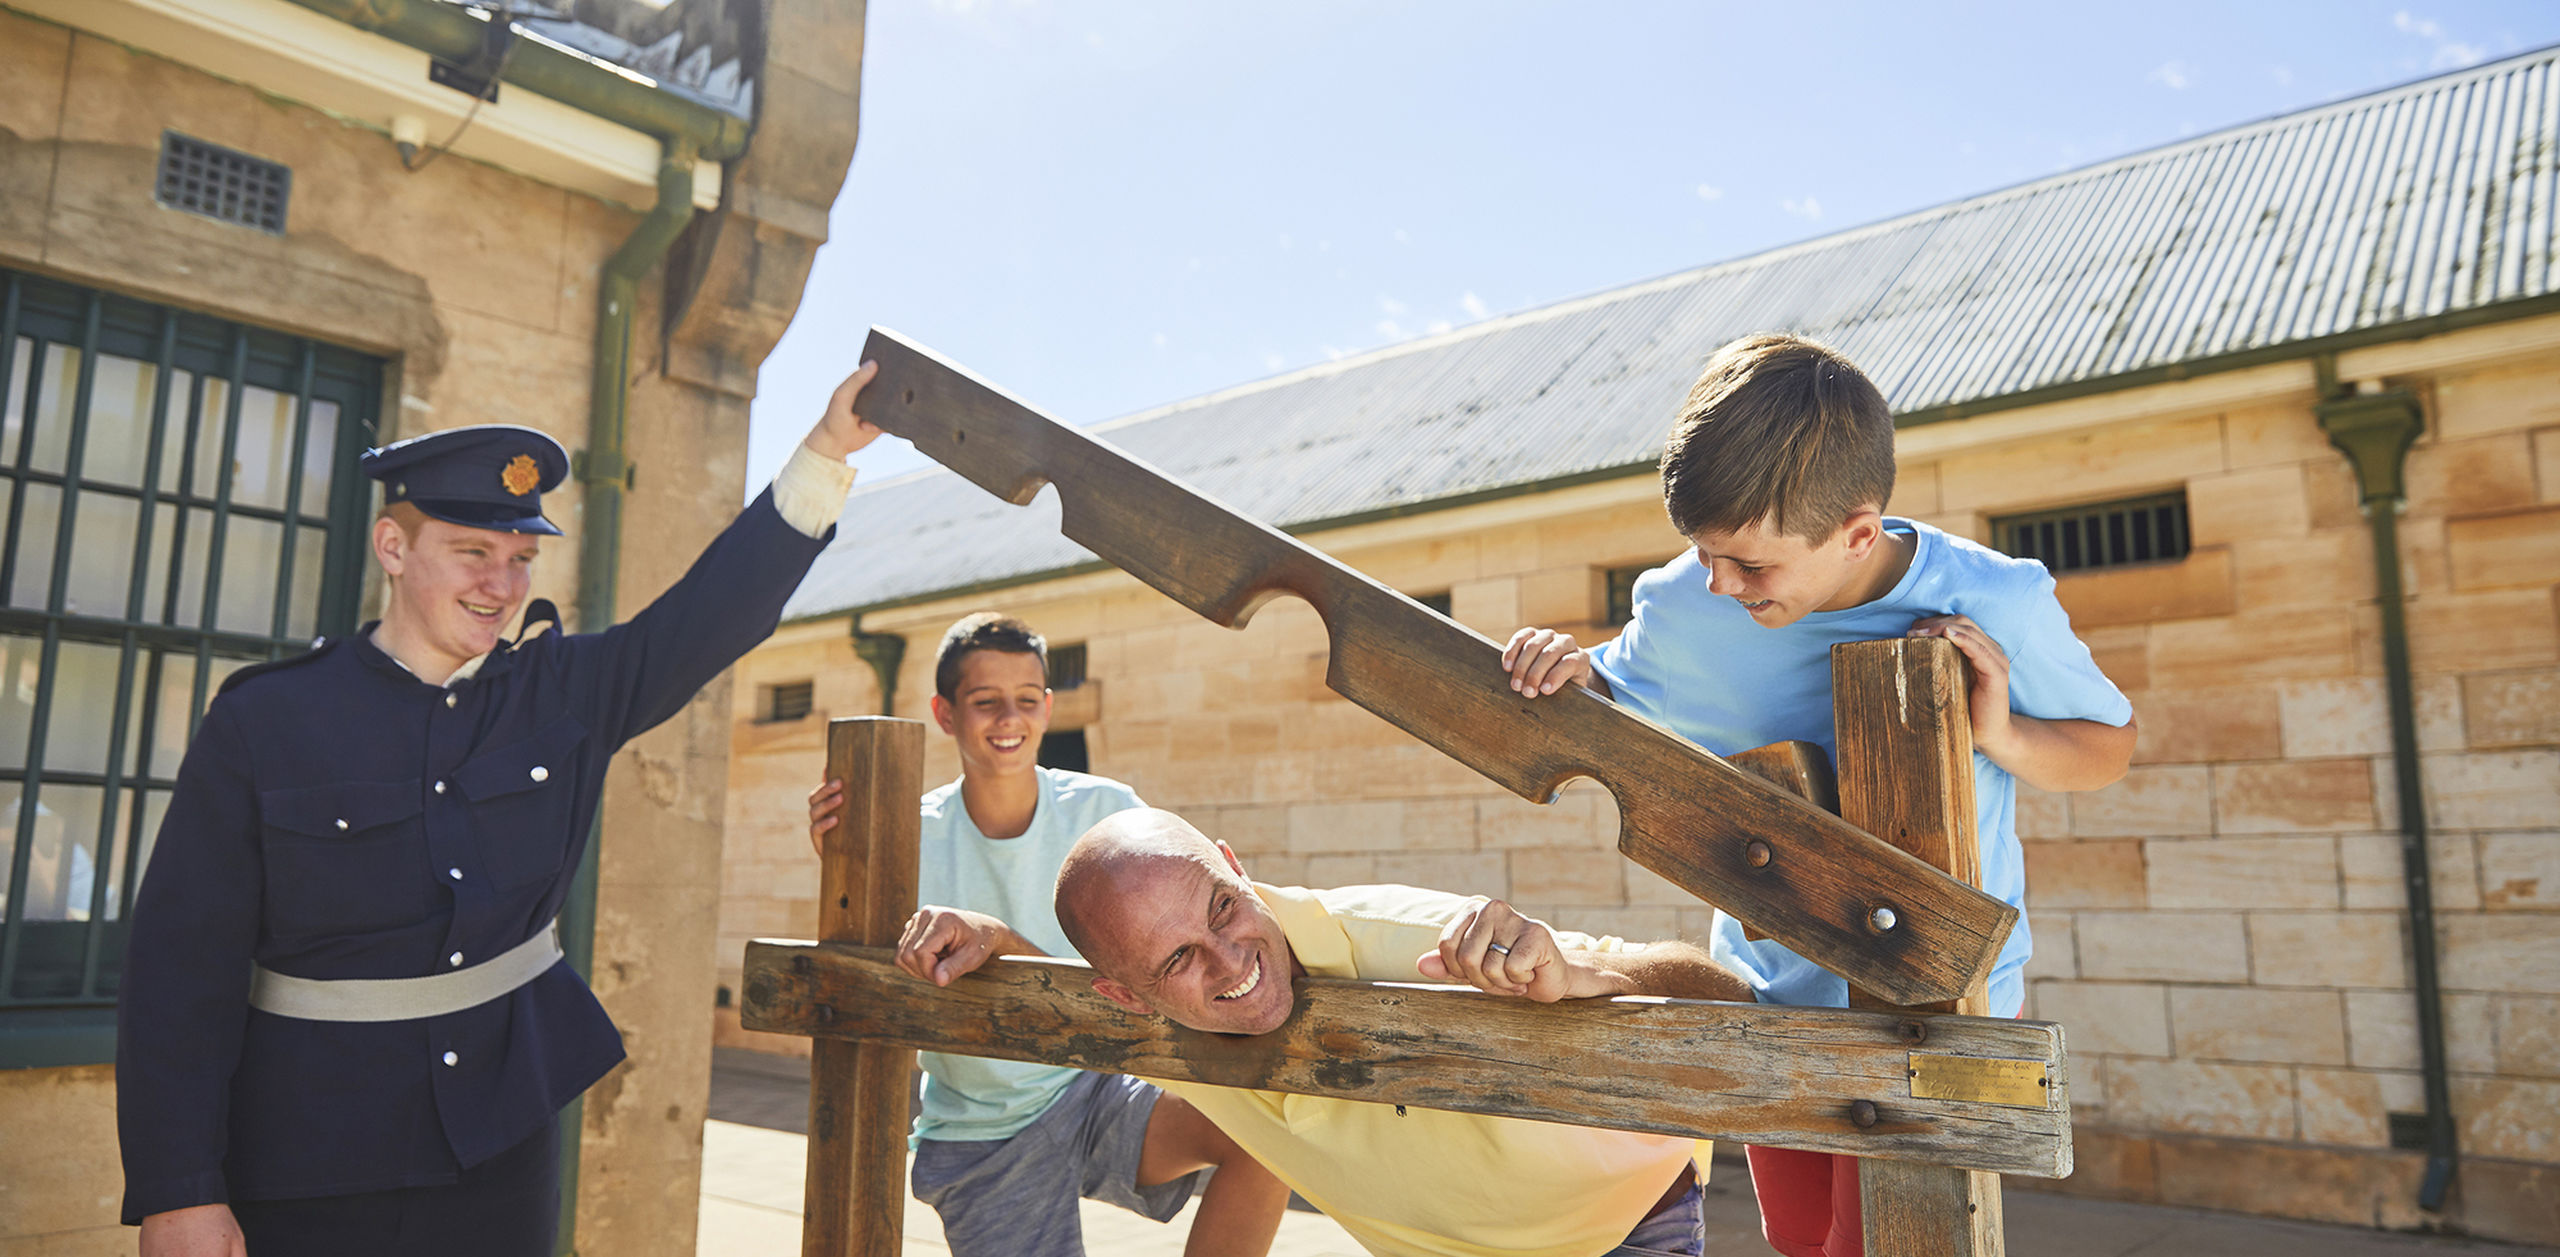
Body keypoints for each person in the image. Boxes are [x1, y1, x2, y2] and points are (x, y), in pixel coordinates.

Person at [117, 363, 888, 1257]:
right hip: (307, 1152)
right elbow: (180, 971)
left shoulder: (564, 695)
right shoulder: (266, 720)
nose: (502, 583)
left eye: (521, 557)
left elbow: (710, 615)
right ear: (394, 548)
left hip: (500, 1152)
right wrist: (181, 1191)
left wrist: (826, 453)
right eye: (473, 552)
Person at [1498, 333, 2136, 1257]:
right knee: (1802, 1242)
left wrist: (2001, 732)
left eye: (1751, 564)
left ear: (1859, 533)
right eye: (1704, 553)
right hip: (1772, 996)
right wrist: (1567, 668)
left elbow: (2109, 748)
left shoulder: (1999, 600)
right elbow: (1613, 689)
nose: (1721, 582)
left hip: (1940, 998)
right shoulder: (1689, 603)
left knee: (1892, 1243)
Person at [1048, 807, 1748, 1257]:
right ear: (1129, 998)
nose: (1230, 960)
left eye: (1224, 906)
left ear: (1236, 865)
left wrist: (1591, 976)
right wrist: (985, 939)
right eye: (1177, 958)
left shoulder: (1408, 940)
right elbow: (1041, 996)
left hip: (1613, 1229)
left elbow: (1733, 1008)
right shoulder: (1144, 1016)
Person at [805, 614, 1286, 1257]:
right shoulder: (898, 833)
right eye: (985, 702)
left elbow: (1128, 982)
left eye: (1026, 700)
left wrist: (999, 938)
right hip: (984, 1124)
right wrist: (842, 861)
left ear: (1048, 707)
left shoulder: (1111, 815)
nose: (1010, 717)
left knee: (1274, 1133)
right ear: (945, 714)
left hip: (1093, 1084)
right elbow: (878, 978)